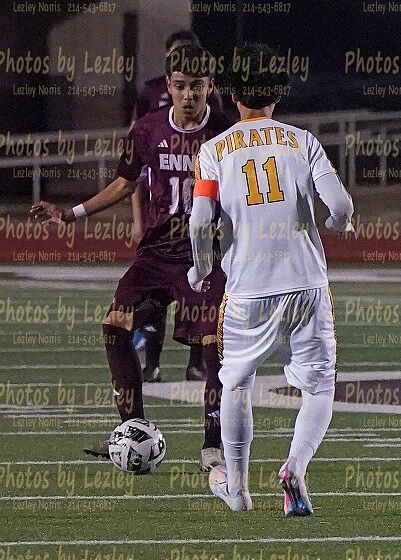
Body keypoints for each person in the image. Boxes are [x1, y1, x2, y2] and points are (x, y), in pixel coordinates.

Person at [31, 45, 227, 472]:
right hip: (155, 255)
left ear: (210, 86)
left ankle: (213, 445)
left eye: (197, 86)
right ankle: (132, 428)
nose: (188, 95)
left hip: (206, 258)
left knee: (214, 348)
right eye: (180, 86)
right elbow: (124, 183)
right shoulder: (148, 129)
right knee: (114, 327)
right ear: (168, 86)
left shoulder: (226, 131)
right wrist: (71, 213)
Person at [187, 43, 355, 514]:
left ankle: (238, 490)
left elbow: (200, 222)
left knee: (237, 384)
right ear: (278, 93)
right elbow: (341, 206)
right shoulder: (303, 141)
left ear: (231, 94)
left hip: (247, 289)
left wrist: (201, 268)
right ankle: (295, 467)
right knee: (319, 388)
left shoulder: (213, 150)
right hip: (306, 285)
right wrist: (337, 224)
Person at [131, 29, 222, 384]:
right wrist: (137, 218)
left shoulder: (210, 103)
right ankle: (151, 362)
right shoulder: (151, 93)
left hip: (200, 213)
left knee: (200, 292)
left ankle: (197, 362)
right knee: (154, 296)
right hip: (162, 212)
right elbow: (136, 166)